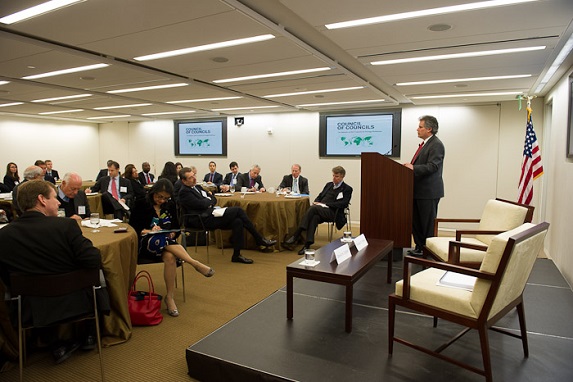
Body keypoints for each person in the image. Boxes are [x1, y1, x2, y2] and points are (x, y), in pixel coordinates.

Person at [0, 180, 103, 363]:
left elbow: (5, 277)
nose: (59, 203)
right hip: (76, 302)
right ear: (42, 200)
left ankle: (55, 344)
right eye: (55, 198)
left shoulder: (4, 235)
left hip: (29, 308)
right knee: (98, 276)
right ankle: (89, 335)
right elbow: (93, 259)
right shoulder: (65, 227)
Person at [129, 179, 214, 317]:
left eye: (166, 198)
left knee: (169, 256)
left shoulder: (170, 205)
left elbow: (177, 227)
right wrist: (149, 231)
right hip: (145, 244)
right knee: (161, 239)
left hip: (167, 244)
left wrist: (172, 233)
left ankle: (169, 297)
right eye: (159, 197)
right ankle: (194, 263)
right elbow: (133, 228)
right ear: (153, 192)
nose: (162, 200)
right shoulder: (141, 203)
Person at [178, 168, 276, 264]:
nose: (194, 178)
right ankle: (259, 239)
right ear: (184, 180)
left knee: (238, 222)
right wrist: (208, 201)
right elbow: (202, 204)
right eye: (190, 177)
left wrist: (208, 201)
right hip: (201, 220)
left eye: (194, 175)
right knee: (238, 210)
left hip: (211, 214)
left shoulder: (197, 187)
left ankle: (236, 255)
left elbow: (213, 198)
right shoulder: (184, 192)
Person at [282, 166, 353, 255]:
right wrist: (317, 202)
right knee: (314, 217)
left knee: (314, 209)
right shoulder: (329, 185)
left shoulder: (347, 189)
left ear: (342, 177)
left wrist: (325, 205)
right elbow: (320, 195)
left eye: (337, 176)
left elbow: (344, 203)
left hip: (334, 212)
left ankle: (297, 234)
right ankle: (307, 245)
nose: (334, 178)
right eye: (333, 176)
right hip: (320, 209)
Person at [403, 115, 445, 256]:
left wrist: (413, 168)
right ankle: (419, 247)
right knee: (416, 222)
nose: (417, 129)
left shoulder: (436, 144)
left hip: (428, 192)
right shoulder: (425, 144)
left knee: (426, 224)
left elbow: (433, 166)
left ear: (429, 129)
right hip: (417, 191)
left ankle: (427, 251)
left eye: (420, 127)